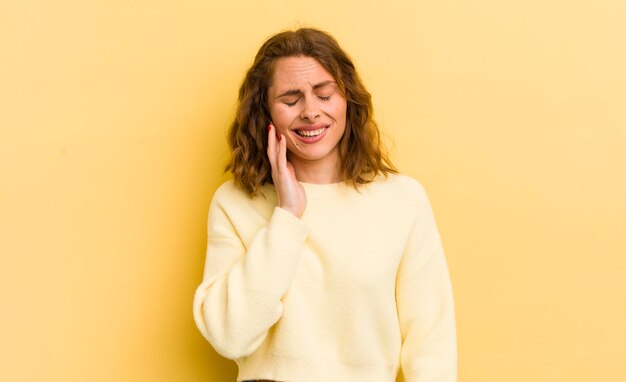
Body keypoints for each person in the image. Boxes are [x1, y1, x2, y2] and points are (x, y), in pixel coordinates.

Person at [193, 27, 457, 382]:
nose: (311, 112)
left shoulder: (403, 200)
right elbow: (229, 336)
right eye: (290, 99)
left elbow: (431, 342)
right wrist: (287, 216)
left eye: (324, 94)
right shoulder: (236, 203)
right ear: (266, 113)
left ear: (347, 99)